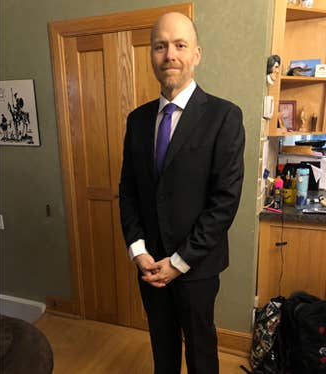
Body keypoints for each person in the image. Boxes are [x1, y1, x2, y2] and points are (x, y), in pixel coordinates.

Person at [119, 12, 245, 374]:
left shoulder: (225, 117)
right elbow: (128, 190)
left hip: (196, 267)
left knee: (201, 351)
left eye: (179, 45)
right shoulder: (137, 120)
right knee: (162, 347)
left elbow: (224, 202)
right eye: (160, 46)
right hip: (149, 265)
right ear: (151, 55)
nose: (169, 54)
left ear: (197, 54)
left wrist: (178, 262)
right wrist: (138, 250)